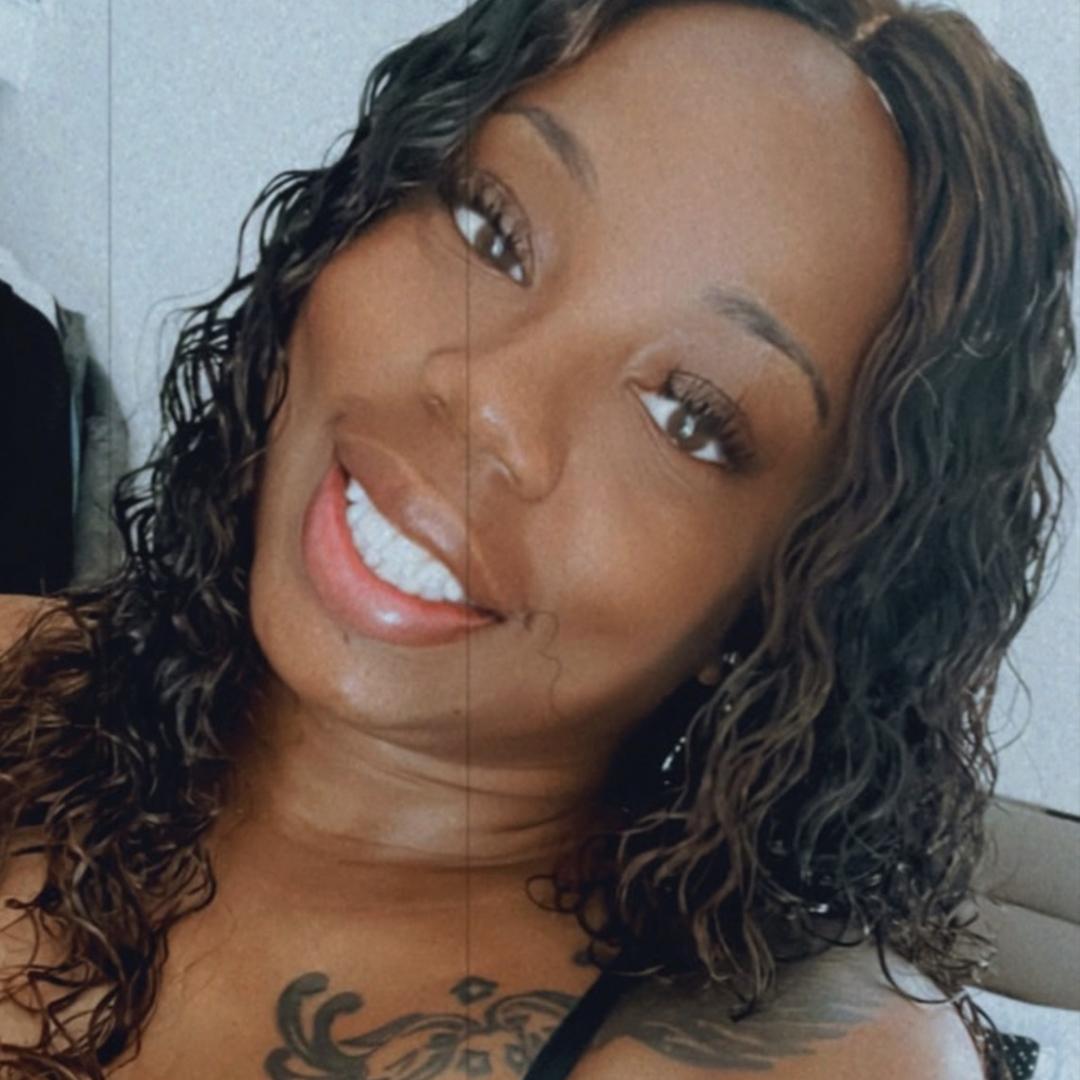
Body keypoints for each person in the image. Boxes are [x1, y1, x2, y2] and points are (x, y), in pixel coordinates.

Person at [0, 0, 1075, 1076]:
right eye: (492, 231)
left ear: (799, 592)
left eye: (688, 415)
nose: (491, 400)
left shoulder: (809, 1055)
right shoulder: (22, 666)